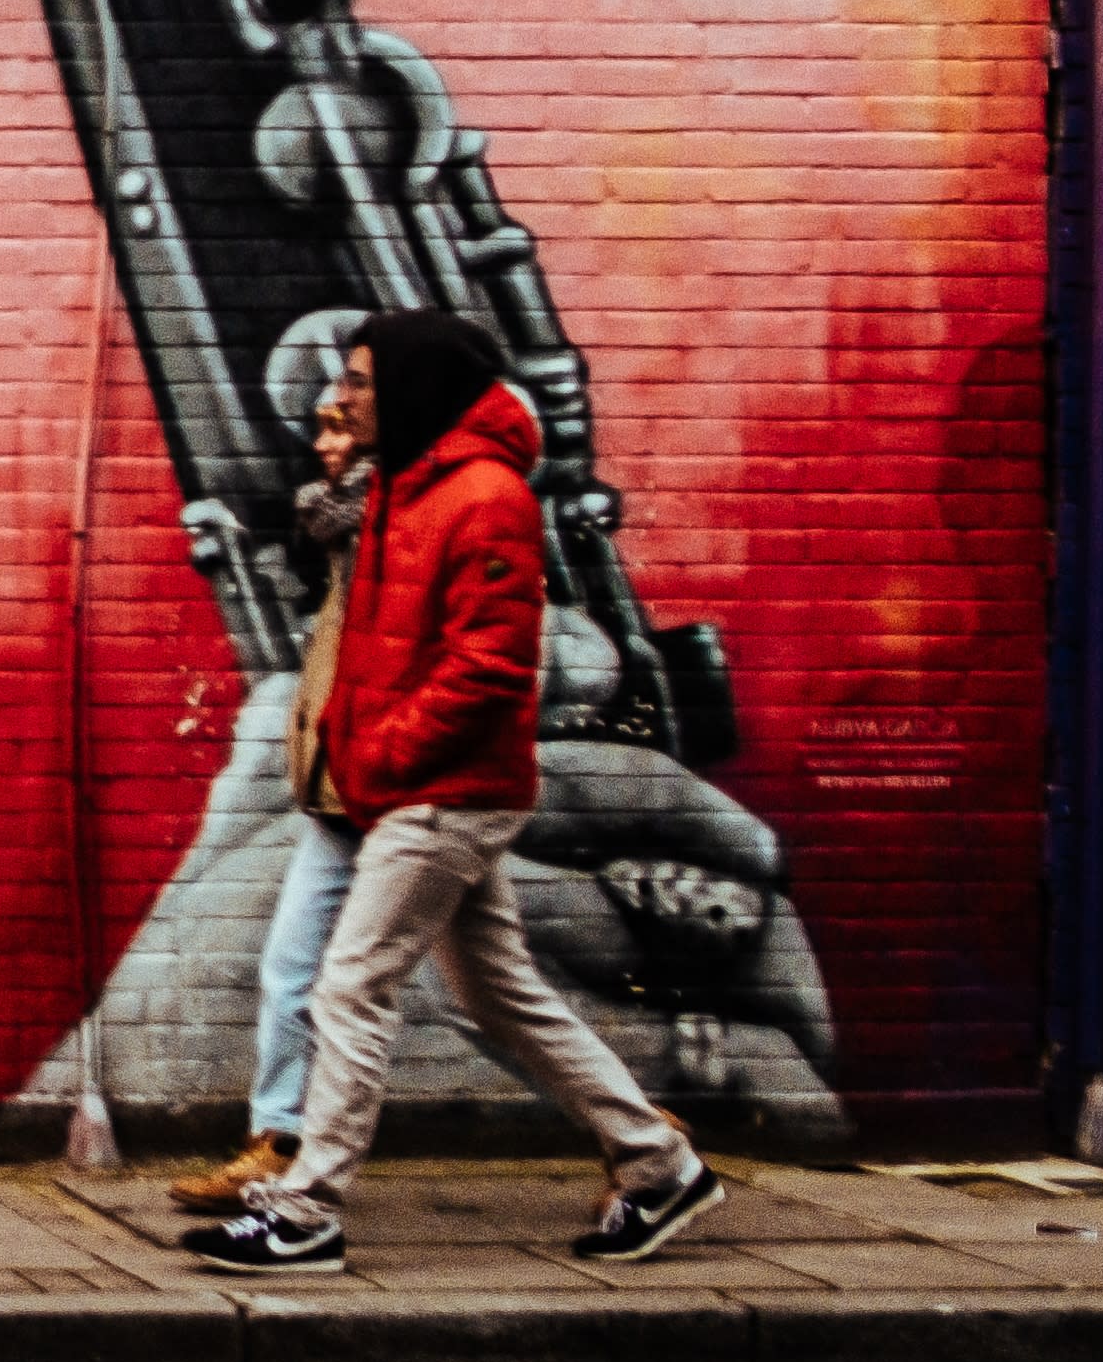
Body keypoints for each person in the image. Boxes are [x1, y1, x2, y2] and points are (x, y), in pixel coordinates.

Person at [180, 311, 725, 1277]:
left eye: (359, 381)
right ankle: (658, 1162)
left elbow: (491, 665)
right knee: (506, 999)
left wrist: (384, 751)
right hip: (416, 788)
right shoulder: (405, 486)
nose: (339, 398)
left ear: (415, 388)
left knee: (352, 982)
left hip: (444, 794)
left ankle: (307, 1209)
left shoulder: (485, 497)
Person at [167, 341, 380, 1215]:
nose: (334, 409)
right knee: (294, 964)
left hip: (405, 786)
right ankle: (282, 1138)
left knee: (487, 994)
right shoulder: (353, 512)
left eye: (355, 391)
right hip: (346, 782)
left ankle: (635, 1129)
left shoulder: (416, 512)